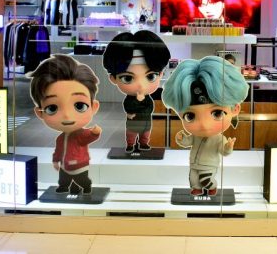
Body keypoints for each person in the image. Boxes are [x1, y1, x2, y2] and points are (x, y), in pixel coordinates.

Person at [161, 55, 249, 196]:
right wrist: (181, 138)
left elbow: (224, 151)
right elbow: (187, 142)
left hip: (209, 165)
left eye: (217, 113)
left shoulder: (219, 138)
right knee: (193, 179)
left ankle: (212, 187)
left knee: (206, 179)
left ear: (235, 109)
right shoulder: (195, 136)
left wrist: (228, 147)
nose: (204, 125)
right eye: (190, 116)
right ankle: (197, 189)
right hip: (194, 163)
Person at [29, 54, 101, 195]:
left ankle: (85, 187)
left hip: (80, 164)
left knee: (81, 179)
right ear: (39, 113)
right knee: (64, 179)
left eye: (79, 106)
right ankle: (65, 188)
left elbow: (88, 137)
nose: (67, 115)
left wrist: (94, 133)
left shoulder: (81, 134)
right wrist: (55, 160)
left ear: (94, 107)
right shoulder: (60, 138)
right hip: (65, 165)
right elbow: (58, 150)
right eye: (52, 108)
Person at [103, 30, 171, 152]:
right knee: (131, 133)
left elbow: (150, 106)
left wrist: (144, 107)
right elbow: (128, 106)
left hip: (146, 121)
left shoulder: (148, 99)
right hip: (134, 121)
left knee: (145, 133)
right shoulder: (129, 99)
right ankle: (130, 144)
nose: (140, 85)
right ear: (113, 79)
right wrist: (135, 106)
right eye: (128, 78)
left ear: (160, 75)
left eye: (150, 76)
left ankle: (143, 143)